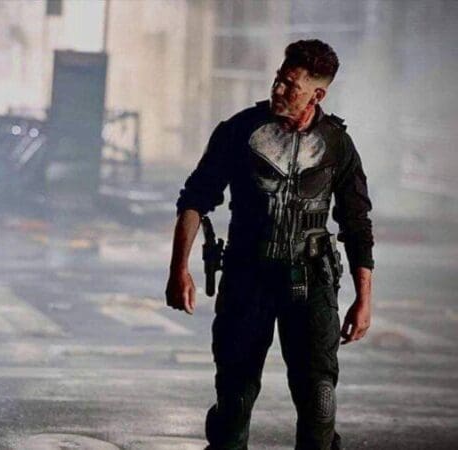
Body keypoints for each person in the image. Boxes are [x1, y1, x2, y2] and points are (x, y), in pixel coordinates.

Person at [166, 39, 374, 450]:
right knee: (235, 399)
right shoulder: (239, 130)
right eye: (278, 79)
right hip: (248, 277)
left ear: (317, 94)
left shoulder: (337, 144)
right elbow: (195, 199)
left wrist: (364, 298)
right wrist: (179, 269)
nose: (278, 89)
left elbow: (356, 223)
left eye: (290, 85)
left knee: (319, 402)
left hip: (311, 281)